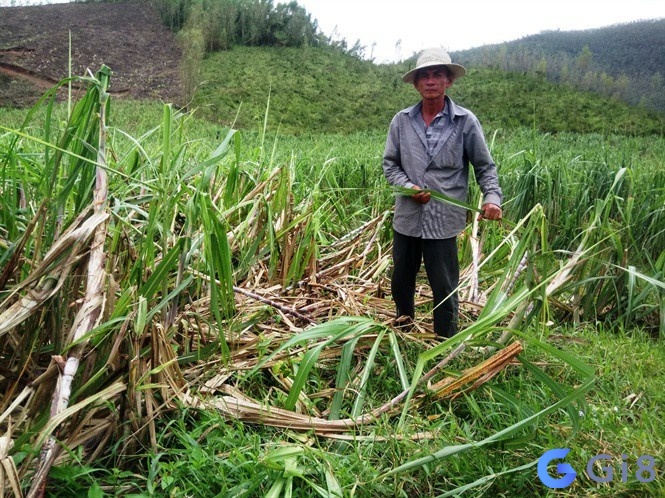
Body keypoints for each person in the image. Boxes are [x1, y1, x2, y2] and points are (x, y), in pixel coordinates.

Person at [382, 47, 503, 338]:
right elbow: (390, 165)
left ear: (448, 81)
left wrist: (492, 198)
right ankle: (403, 327)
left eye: (438, 74)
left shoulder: (465, 121)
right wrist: (408, 187)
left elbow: (485, 167)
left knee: (444, 284)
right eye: (424, 75)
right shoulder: (401, 121)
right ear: (416, 83)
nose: (431, 80)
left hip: (443, 220)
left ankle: (444, 340)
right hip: (408, 218)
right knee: (401, 279)